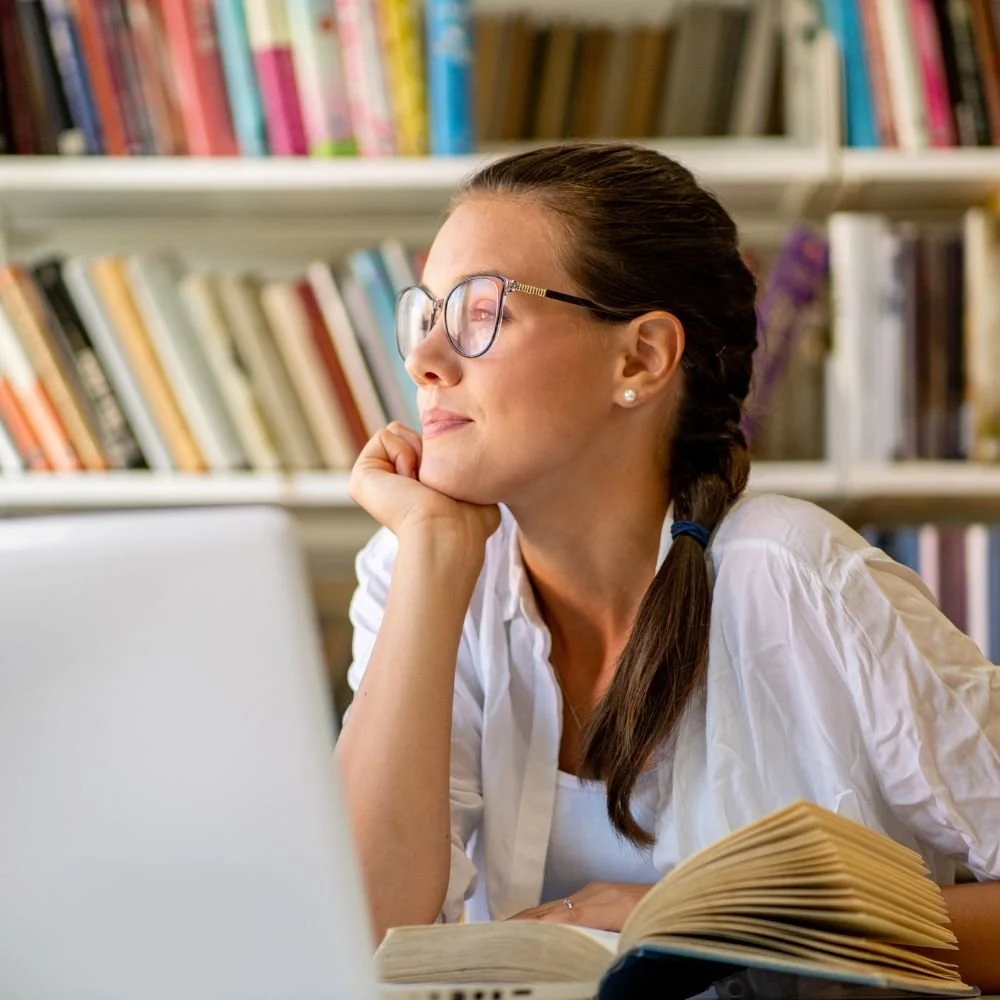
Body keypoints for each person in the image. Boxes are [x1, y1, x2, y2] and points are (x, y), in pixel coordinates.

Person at [335, 143, 1000, 989]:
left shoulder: (795, 573)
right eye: (424, 314)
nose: (425, 358)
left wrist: (737, 925)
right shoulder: (420, 573)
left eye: (478, 311)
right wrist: (430, 557)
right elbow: (356, 935)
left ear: (640, 359)